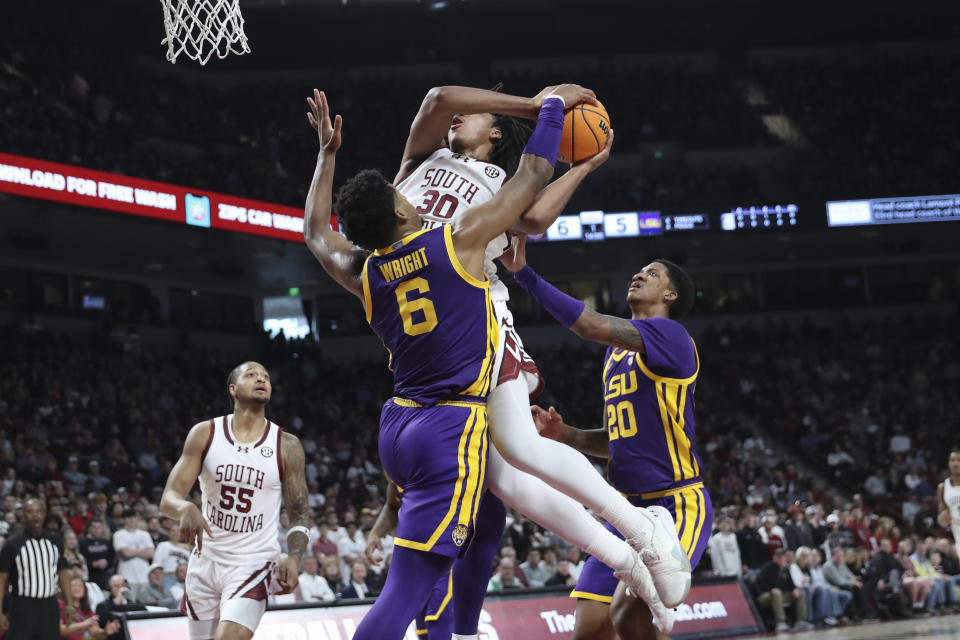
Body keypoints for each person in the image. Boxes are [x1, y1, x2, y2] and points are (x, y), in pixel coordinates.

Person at [302, 88, 669, 640]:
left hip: (406, 404)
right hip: (460, 323)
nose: (456, 118)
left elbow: (314, 234)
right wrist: (546, 107)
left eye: (469, 116)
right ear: (400, 205)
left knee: (507, 476)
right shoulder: (452, 223)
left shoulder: (363, 270)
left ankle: (627, 555)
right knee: (510, 463)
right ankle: (638, 539)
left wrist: (327, 155)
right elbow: (463, 118)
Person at [515, 239, 709, 639]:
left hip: (674, 504)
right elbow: (615, 439)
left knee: (628, 615)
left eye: (652, 273)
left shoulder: (670, 336)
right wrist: (565, 434)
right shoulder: (616, 355)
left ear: (670, 295)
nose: (638, 274)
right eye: (640, 270)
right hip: (624, 510)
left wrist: (523, 274)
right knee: (588, 631)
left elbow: (586, 325)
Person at [160, 361, 310, 640]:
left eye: (265, 376)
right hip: (205, 561)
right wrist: (185, 507)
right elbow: (168, 498)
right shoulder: (205, 433)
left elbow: (300, 513)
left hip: (253, 562)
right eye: (251, 375)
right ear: (233, 389)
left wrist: (294, 557)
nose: (261, 379)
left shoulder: (286, 444)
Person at [0, 498, 75, 640]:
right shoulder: (12, 544)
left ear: (44, 514)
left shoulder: (55, 541)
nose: (35, 515)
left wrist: (70, 605)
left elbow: (63, 574)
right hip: (22, 605)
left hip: (49, 605)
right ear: (23, 515)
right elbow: (1, 579)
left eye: (39, 511)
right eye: (30, 511)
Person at [754, 549, 811, 631]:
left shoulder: (786, 569)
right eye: (779, 557)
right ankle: (780, 622)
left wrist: (794, 589)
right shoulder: (768, 567)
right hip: (765, 595)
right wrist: (770, 589)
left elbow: (791, 584)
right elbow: (758, 582)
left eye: (783, 556)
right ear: (774, 558)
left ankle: (800, 621)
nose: (781, 558)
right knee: (777, 593)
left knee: (801, 593)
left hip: (781, 595)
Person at [823, 547, 870, 621]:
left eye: (841, 556)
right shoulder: (828, 566)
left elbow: (850, 576)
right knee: (851, 588)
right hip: (834, 586)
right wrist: (853, 583)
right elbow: (839, 581)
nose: (840, 558)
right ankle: (853, 615)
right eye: (837, 556)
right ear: (832, 556)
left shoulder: (842, 565)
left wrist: (854, 582)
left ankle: (864, 613)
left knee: (859, 587)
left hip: (844, 585)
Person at [112, 509, 153, 592]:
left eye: (134, 517)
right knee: (129, 603)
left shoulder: (145, 534)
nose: (132, 519)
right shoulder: (119, 534)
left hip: (144, 576)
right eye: (128, 517)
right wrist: (143, 550)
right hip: (127, 576)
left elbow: (151, 553)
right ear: (123, 519)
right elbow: (126, 553)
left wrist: (132, 551)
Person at [95, 574, 145, 640]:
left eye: (122, 585)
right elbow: (102, 623)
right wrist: (116, 601)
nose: (120, 588)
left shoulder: (132, 604)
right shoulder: (102, 606)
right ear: (110, 588)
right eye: (116, 586)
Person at [937, 449, 960, 558]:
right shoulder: (943, 488)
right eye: (952, 460)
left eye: (959, 460)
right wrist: (944, 517)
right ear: (948, 463)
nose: (956, 463)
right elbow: (943, 523)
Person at [80, 519, 115, 591]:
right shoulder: (82, 543)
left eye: (99, 527)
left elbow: (112, 559)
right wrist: (93, 564)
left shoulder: (107, 542)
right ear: (89, 529)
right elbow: (80, 560)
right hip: (90, 578)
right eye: (94, 527)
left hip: (105, 577)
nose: (96, 530)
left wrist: (107, 563)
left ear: (102, 528)